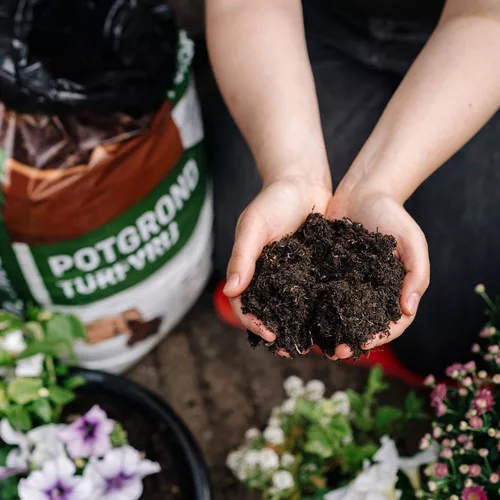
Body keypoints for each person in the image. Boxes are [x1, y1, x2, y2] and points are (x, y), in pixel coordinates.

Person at [203, 0, 500, 375]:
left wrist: (380, 185)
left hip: (470, 51)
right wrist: (292, 171)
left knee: (450, 339)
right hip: (317, 27)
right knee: (240, 248)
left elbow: (487, 18)